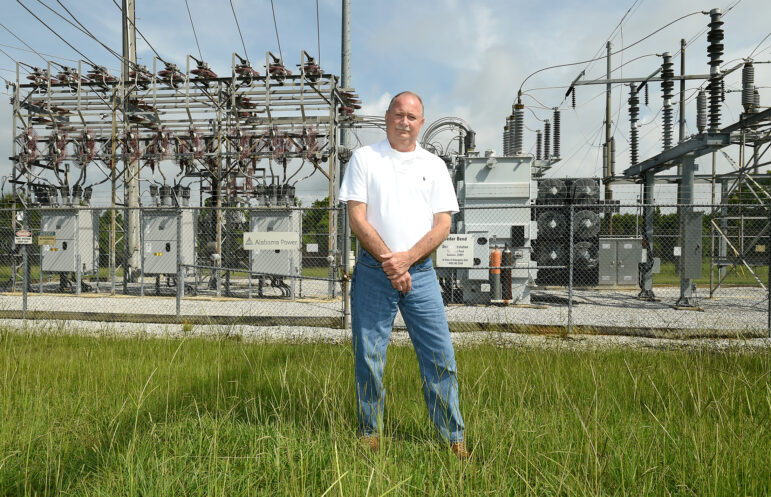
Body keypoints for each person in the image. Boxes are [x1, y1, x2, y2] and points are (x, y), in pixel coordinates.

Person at [339, 91, 469, 458]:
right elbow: (357, 218)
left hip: (422, 274)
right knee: (369, 356)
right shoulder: (365, 159)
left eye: (412, 117)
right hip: (373, 273)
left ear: (422, 123)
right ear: (387, 117)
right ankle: (370, 431)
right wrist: (390, 263)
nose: (404, 122)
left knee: (439, 356)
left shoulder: (434, 165)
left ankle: (452, 438)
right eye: (399, 114)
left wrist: (407, 260)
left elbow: (443, 224)